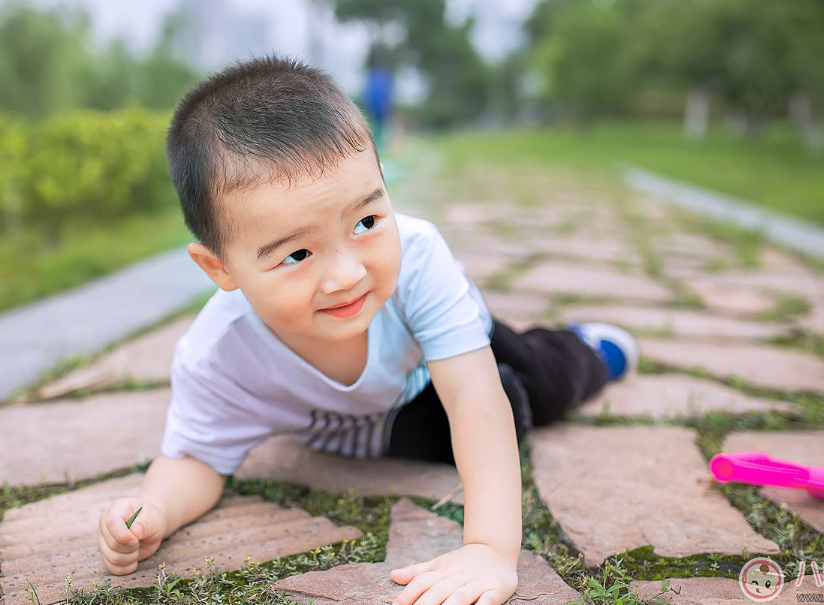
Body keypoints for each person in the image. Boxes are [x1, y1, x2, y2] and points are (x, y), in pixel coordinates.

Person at [96, 55, 638, 605]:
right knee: (476, 427)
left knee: (534, 386)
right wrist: (154, 510)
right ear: (220, 269)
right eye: (298, 254)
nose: (347, 275)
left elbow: (473, 395)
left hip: (447, 354)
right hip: (380, 418)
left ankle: (588, 349)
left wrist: (489, 550)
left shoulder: (417, 261)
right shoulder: (216, 355)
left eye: (365, 223)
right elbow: (195, 459)